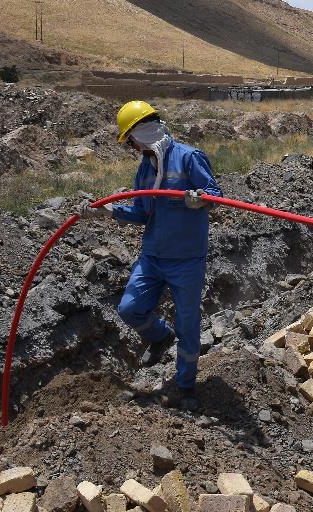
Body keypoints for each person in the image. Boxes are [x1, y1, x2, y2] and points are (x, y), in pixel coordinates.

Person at [75, 100, 222, 411]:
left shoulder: (188, 158)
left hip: (186, 259)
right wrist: (109, 211)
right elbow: (143, 212)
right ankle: (159, 337)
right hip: (153, 256)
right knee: (130, 308)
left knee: (188, 325)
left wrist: (202, 199)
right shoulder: (145, 169)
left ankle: (185, 386)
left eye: (130, 139)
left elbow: (215, 194)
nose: (131, 146)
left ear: (138, 133)